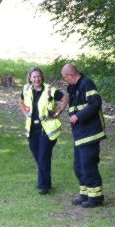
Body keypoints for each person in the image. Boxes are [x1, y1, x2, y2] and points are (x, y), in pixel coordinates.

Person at [62, 63, 106, 208]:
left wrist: (78, 116)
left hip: (90, 133)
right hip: (79, 135)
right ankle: (85, 195)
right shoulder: (74, 88)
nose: (65, 80)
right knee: (79, 167)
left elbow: (95, 103)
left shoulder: (87, 83)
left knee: (88, 166)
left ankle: (96, 198)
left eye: (65, 77)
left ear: (71, 75)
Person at [19, 66, 67, 194]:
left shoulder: (50, 90)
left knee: (43, 157)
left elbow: (64, 99)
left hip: (47, 130)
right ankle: (47, 182)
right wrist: (26, 113)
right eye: (34, 77)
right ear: (30, 78)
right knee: (38, 157)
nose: (36, 79)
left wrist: (58, 113)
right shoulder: (27, 89)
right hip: (32, 129)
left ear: (42, 77)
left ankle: (43, 186)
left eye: (38, 76)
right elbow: (21, 102)